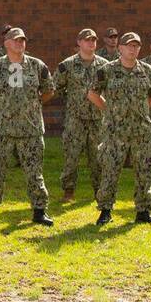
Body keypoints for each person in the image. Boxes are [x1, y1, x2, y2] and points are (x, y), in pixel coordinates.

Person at [0, 27, 55, 226]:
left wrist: (33, 104)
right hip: (2, 129)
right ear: (6, 43)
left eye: (22, 40)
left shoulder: (37, 66)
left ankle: (39, 211)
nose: (20, 43)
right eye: (15, 40)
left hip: (30, 129)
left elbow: (48, 91)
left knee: (34, 171)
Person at [89, 32, 151, 226]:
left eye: (136, 46)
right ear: (120, 48)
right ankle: (105, 210)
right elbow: (92, 94)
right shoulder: (106, 70)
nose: (133, 49)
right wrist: (109, 109)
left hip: (142, 130)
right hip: (115, 131)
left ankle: (143, 211)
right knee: (110, 171)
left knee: (144, 171)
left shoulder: (149, 71)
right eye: (129, 45)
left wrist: (140, 108)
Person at [53, 28, 105, 202]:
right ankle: (69, 191)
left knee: (98, 156)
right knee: (71, 156)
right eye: (87, 40)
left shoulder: (105, 65)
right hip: (75, 118)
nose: (91, 43)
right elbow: (57, 87)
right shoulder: (67, 65)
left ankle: (99, 190)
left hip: (97, 119)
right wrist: (73, 99)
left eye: (94, 40)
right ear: (79, 42)